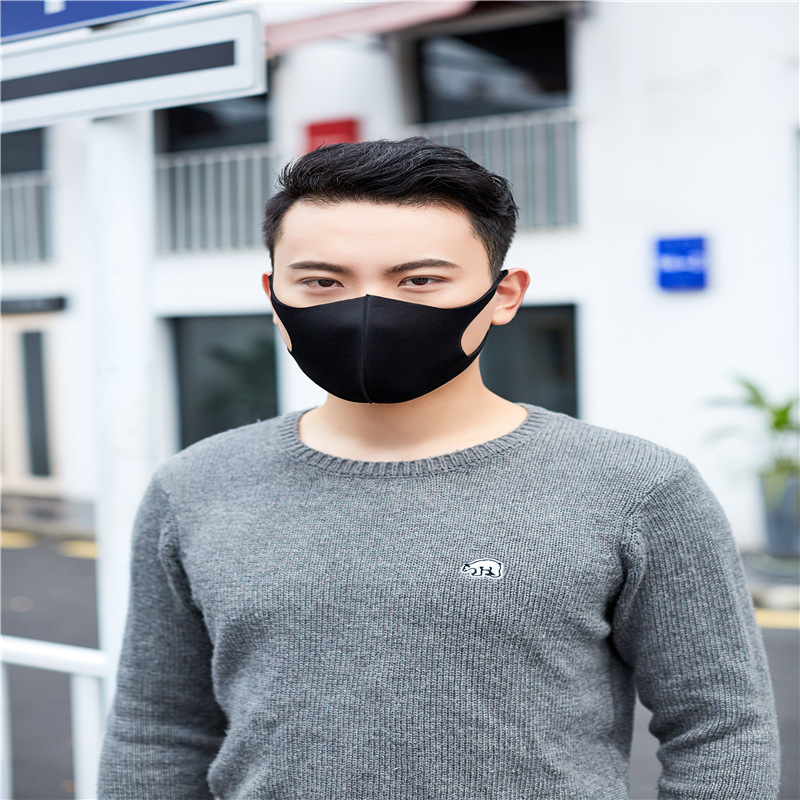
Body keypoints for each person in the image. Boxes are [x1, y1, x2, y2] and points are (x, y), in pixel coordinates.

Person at [98, 138, 779, 799]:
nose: (367, 312)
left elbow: (721, 727)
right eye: (322, 281)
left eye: (419, 280)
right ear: (274, 296)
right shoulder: (194, 487)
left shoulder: (637, 488)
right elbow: (157, 729)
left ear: (505, 295)